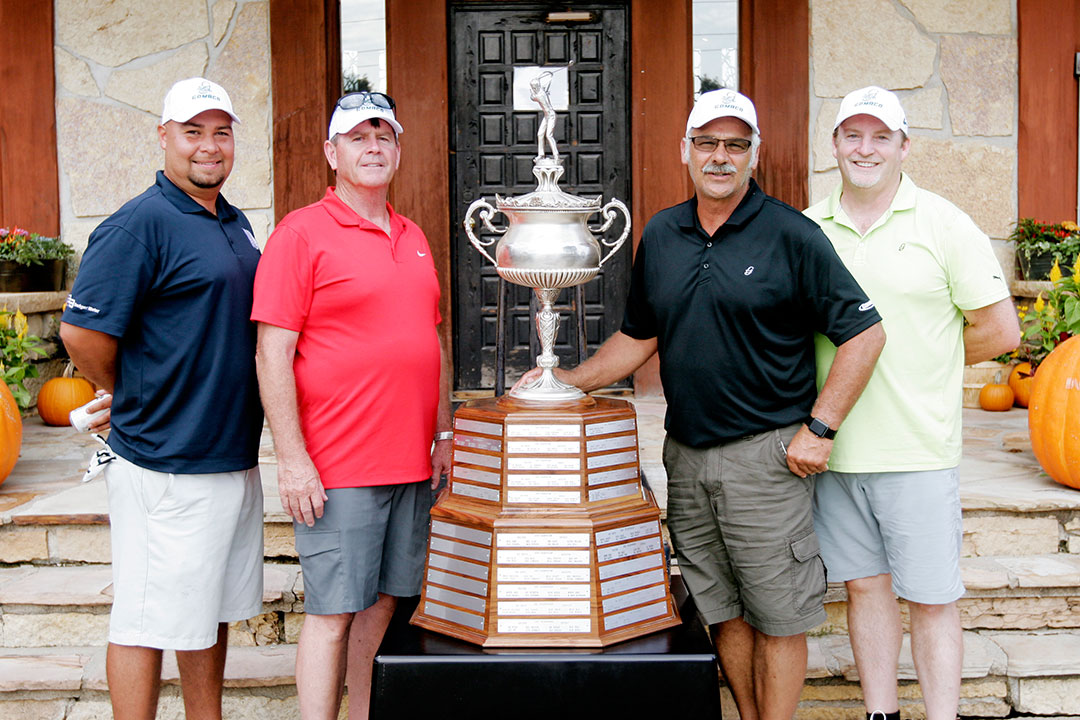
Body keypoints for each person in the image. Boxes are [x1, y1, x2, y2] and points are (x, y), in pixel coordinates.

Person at [515, 88, 886, 720]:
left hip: (767, 459)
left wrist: (820, 428)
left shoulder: (792, 234)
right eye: (707, 143)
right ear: (685, 150)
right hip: (685, 457)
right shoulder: (662, 234)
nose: (720, 157)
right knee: (720, 609)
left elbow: (864, 333)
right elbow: (639, 336)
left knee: (778, 614)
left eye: (735, 145)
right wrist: (569, 380)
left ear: (754, 154)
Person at [805, 86, 1021, 720]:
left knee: (930, 598)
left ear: (904, 146)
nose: (864, 149)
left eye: (880, 137)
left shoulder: (944, 223)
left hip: (917, 451)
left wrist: (927, 362)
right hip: (836, 450)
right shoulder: (810, 229)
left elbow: (1000, 330)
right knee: (864, 590)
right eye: (852, 135)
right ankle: (881, 714)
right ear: (835, 145)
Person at [59, 77, 264, 720]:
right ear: (163, 137)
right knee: (145, 616)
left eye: (221, 132)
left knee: (208, 611)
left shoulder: (233, 221)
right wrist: (127, 391)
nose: (209, 146)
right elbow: (82, 333)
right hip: (163, 460)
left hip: (229, 452)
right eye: (193, 131)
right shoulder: (136, 225)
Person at [251, 91, 452, 720]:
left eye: (384, 137)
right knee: (332, 614)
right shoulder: (300, 234)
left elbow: (433, 339)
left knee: (383, 605)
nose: (373, 148)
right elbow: (271, 353)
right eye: (359, 137)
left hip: (410, 464)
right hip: (338, 467)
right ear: (331, 152)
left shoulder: (413, 233)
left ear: (397, 150)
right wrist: (293, 461)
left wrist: (442, 434)